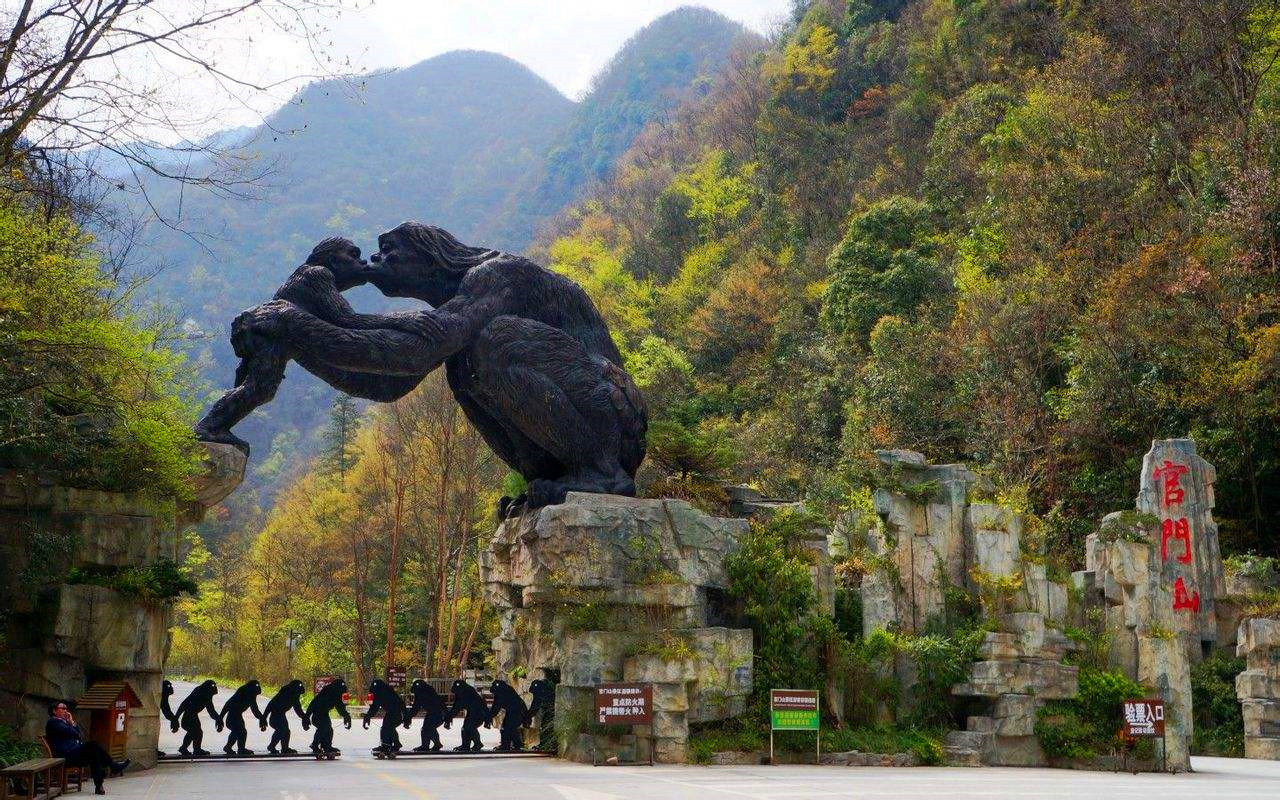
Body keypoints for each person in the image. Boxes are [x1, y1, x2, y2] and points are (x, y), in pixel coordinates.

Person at [45, 701, 128, 795]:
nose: (66, 711)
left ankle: (99, 785)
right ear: (54, 711)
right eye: (62, 708)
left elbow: (80, 734)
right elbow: (75, 733)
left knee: (94, 754)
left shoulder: (64, 722)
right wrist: (71, 722)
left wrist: (71, 723)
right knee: (93, 746)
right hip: (65, 756)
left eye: (66, 708)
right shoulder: (53, 722)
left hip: (73, 753)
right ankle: (113, 766)